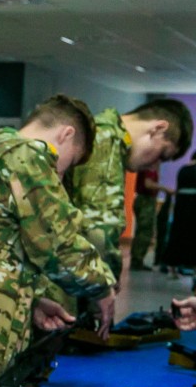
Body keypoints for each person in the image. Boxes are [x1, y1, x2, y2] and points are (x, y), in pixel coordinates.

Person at [0, 94, 117, 387]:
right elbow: (62, 248)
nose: (61, 174)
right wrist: (103, 288)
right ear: (66, 134)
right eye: (69, 161)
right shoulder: (28, 159)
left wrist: (30, 299)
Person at [67, 98, 192, 280]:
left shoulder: (102, 135)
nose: (153, 166)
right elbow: (98, 230)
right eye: (161, 155)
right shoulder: (106, 142)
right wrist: (103, 286)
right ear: (158, 129)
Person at [130, 166, 175, 271]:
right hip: (145, 200)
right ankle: (137, 260)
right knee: (145, 231)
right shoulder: (149, 167)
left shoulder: (149, 166)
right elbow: (148, 184)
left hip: (144, 199)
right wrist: (165, 188)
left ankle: (138, 259)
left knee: (143, 231)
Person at [163, 150, 196, 280]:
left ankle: (172, 269)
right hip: (194, 209)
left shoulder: (182, 170)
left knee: (177, 236)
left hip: (180, 208)